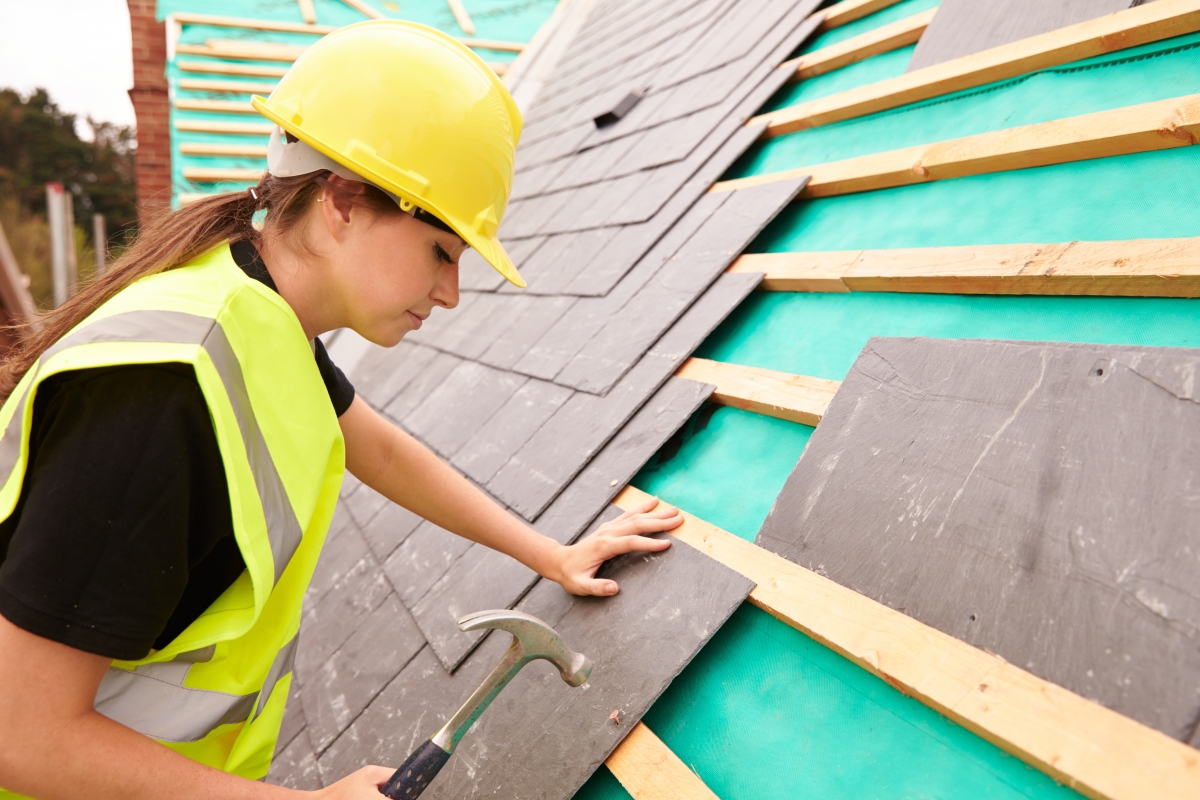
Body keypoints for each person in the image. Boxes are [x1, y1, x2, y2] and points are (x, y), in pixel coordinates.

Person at [0, 20, 681, 800]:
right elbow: (22, 738)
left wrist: (548, 554)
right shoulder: (163, 393)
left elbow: (380, 450)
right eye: (441, 252)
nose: (452, 294)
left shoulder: (259, 317)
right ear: (345, 201)